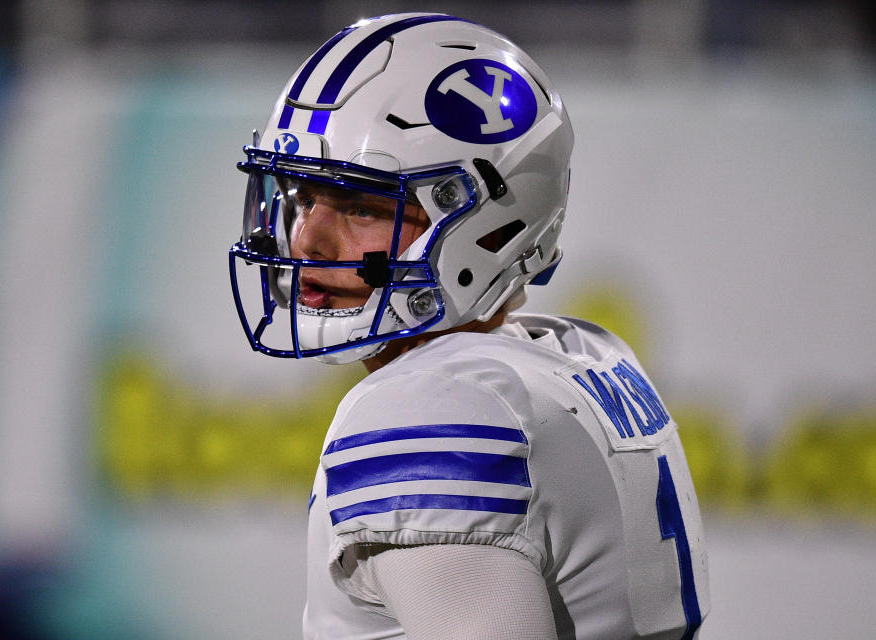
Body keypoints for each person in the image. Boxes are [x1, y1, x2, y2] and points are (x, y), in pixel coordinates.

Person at [228, 12, 710, 639]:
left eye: (363, 205)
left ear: (485, 227)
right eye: (301, 196)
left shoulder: (428, 409)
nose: (307, 238)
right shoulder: (582, 355)